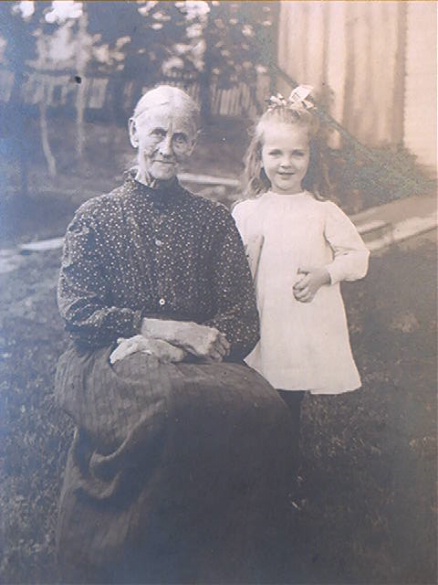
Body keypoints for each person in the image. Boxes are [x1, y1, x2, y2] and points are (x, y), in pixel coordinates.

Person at [54, 85, 294, 584]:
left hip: (193, 361)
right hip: (106, 357)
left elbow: (241, 319)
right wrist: (154, 328)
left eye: (181, 137)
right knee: (164, 402)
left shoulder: (212, 221)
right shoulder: (96, 217)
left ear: (194, 144)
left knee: (265, 405)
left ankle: (222, 557)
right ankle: (123, 551)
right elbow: (78, 311)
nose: (167, 148)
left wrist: (175, 345)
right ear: (133, 131)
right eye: (158, 133)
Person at [232, 86, 370, 475]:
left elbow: (358, 257)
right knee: (252, 398)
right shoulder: (247, 212)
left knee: (286, 401)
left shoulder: (323, 212)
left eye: (297, 153)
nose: (286, 163)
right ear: (259, 158)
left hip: (297, 328)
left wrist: (326, 273)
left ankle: (284, 476)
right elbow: (231, 266)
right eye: (275, 153)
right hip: (259, 323)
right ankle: (251, 471)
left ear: (312, 157)